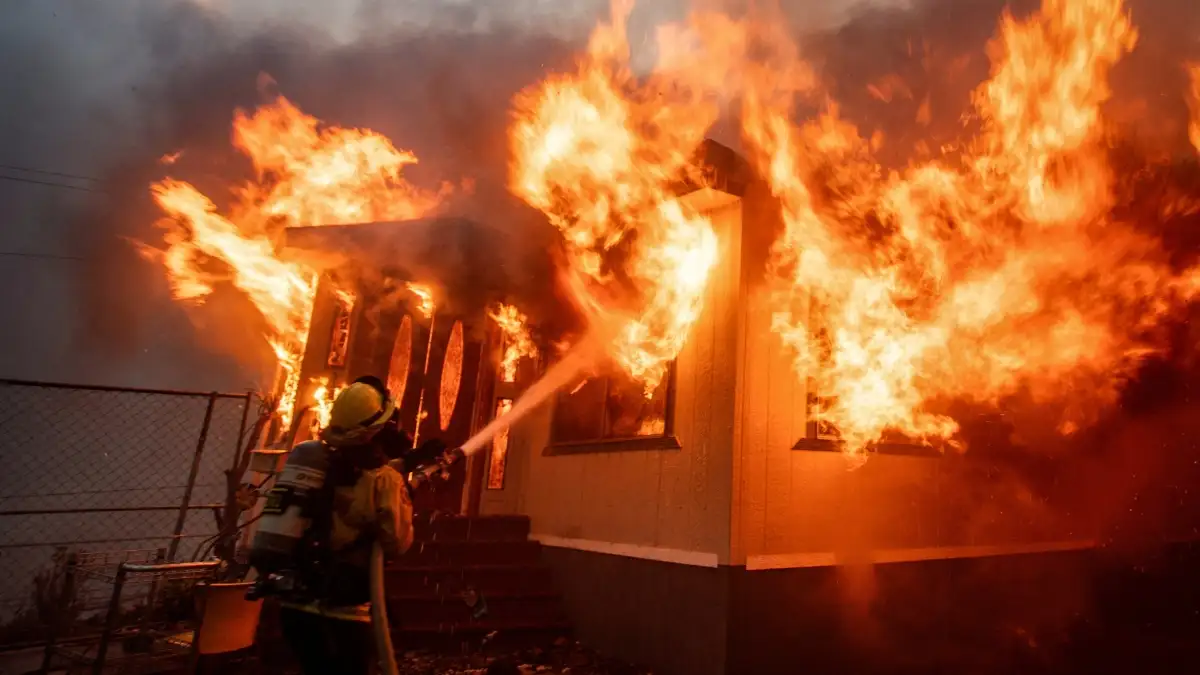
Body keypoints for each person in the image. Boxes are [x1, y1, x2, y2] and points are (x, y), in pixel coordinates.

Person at [270, 375, 443, 675]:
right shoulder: (383, 481)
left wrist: (408, 463)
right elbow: (396, 542)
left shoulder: (314, 458)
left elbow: (353, 479)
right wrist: (402, 494)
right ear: (376, 429)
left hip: (294, 607)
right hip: (343, 613)